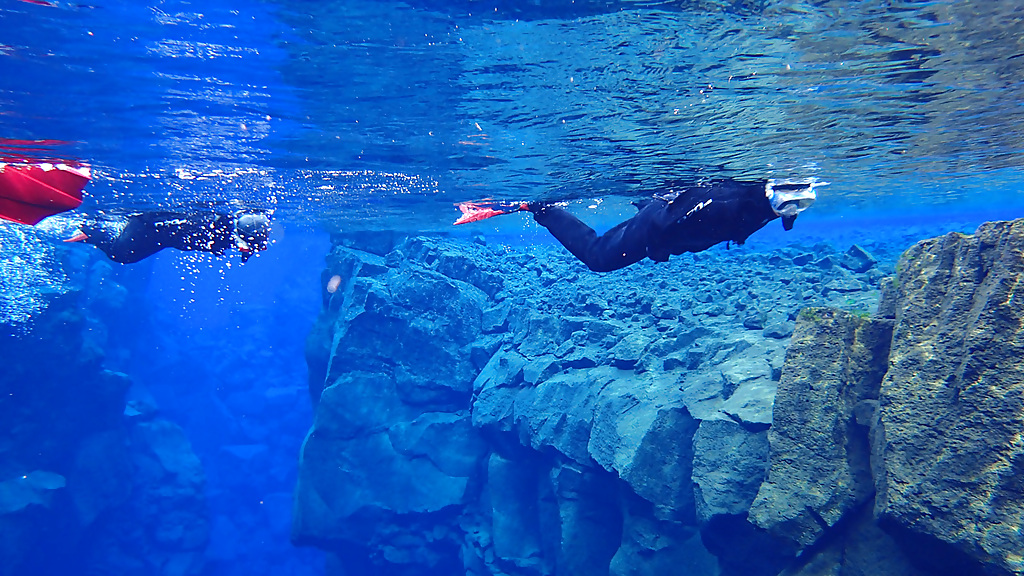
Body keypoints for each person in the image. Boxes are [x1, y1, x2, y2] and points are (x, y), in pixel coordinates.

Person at [454, 178, 823, 272]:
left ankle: (539, 208)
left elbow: (704, 206)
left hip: (667, 217)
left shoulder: (751, 207)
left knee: (601, 253)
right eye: (789, 202)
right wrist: (659, 241)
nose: (794, 207)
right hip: (661, 224)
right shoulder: (736, 207)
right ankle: (536, 206)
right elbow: (695, 212)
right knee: (598, 257)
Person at [66, 210, 272, 263]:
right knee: (122, 255)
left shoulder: (226, 227)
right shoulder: (213, 228)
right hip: (149, 227)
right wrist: (142, 218)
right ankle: (90, 229)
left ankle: (95, 229)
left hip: (159, 234)